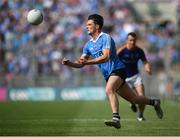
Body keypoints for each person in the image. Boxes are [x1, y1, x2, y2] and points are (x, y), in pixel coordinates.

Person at [62, 14, 163, 129]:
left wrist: (87, 62)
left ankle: (116, 119)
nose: (87, 27)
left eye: (89, 24)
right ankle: (154, 102)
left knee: (109, 89)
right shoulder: (88, 45)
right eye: (86, 25)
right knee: (134, 99)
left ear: (97, 26)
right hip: (108, 75)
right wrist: (69, 63)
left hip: (118, 69)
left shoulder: (106, 38)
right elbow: (81, 63)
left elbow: (106, 57)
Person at [117, 32, 152, 122]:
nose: (132, 42)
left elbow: (145, 62)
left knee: (141, 96)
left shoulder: (139, 51)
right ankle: (132, 102)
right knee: (132, 97)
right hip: (124, 77)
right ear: (127, 40)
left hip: (135, 76)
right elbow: (113, 60)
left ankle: (140, 115)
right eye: (130, 40)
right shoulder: (121, 51)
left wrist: (147, 68)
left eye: (134, 40)